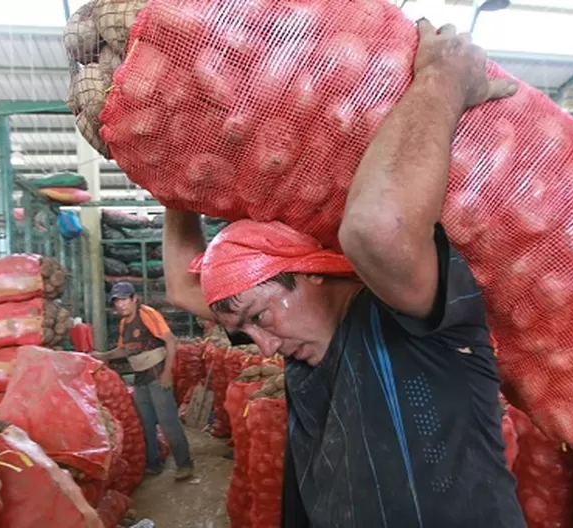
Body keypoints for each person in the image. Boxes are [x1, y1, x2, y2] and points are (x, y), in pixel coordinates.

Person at [161, 22, 524, 527]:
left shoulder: (404, 307)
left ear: (308, 272)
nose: (263, 348)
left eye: (260, 316)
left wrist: (444, 78)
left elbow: (375, 228)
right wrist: (173, 175)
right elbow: (182, 286)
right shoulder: (299, 333)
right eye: (248, 329)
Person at [93, 282, 194, 481]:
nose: (120, 305)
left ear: (134, 299)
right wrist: (103, 355)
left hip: (157, 374)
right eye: (116, 301)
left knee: (168, 422)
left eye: (124, 299)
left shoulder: (147, 314)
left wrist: (167, 373)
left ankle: (185, 464)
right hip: (140, 377)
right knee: (145, 423)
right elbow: (124, 349)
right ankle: (153, 464)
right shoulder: (124, 324)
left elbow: (171, 341)